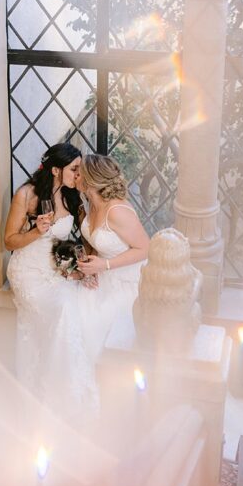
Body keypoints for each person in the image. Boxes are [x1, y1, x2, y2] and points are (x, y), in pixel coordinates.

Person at [4, 143, 94, 419]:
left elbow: (86, 236)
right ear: (56, 170)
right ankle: (49, 392)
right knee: (63, 312)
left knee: (78, 305)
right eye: (74, 169)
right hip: (27, 271)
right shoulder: (26, 194)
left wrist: (84, 266)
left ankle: (59, 387)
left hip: (53, 269)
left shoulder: (70, 196)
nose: (78, 174)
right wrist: (35, 231)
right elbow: (8, 241)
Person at [75, 153, 149, 362]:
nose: (76, 177)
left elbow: (145, 248)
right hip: (103, 274)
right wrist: (91, 266)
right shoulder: (91, 204)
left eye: (79, 173)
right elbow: (100, 243)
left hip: (125, 280)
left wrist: (104, 265)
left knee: (97, 323)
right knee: (76, 311)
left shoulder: (117, 211)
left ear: (90, 180)